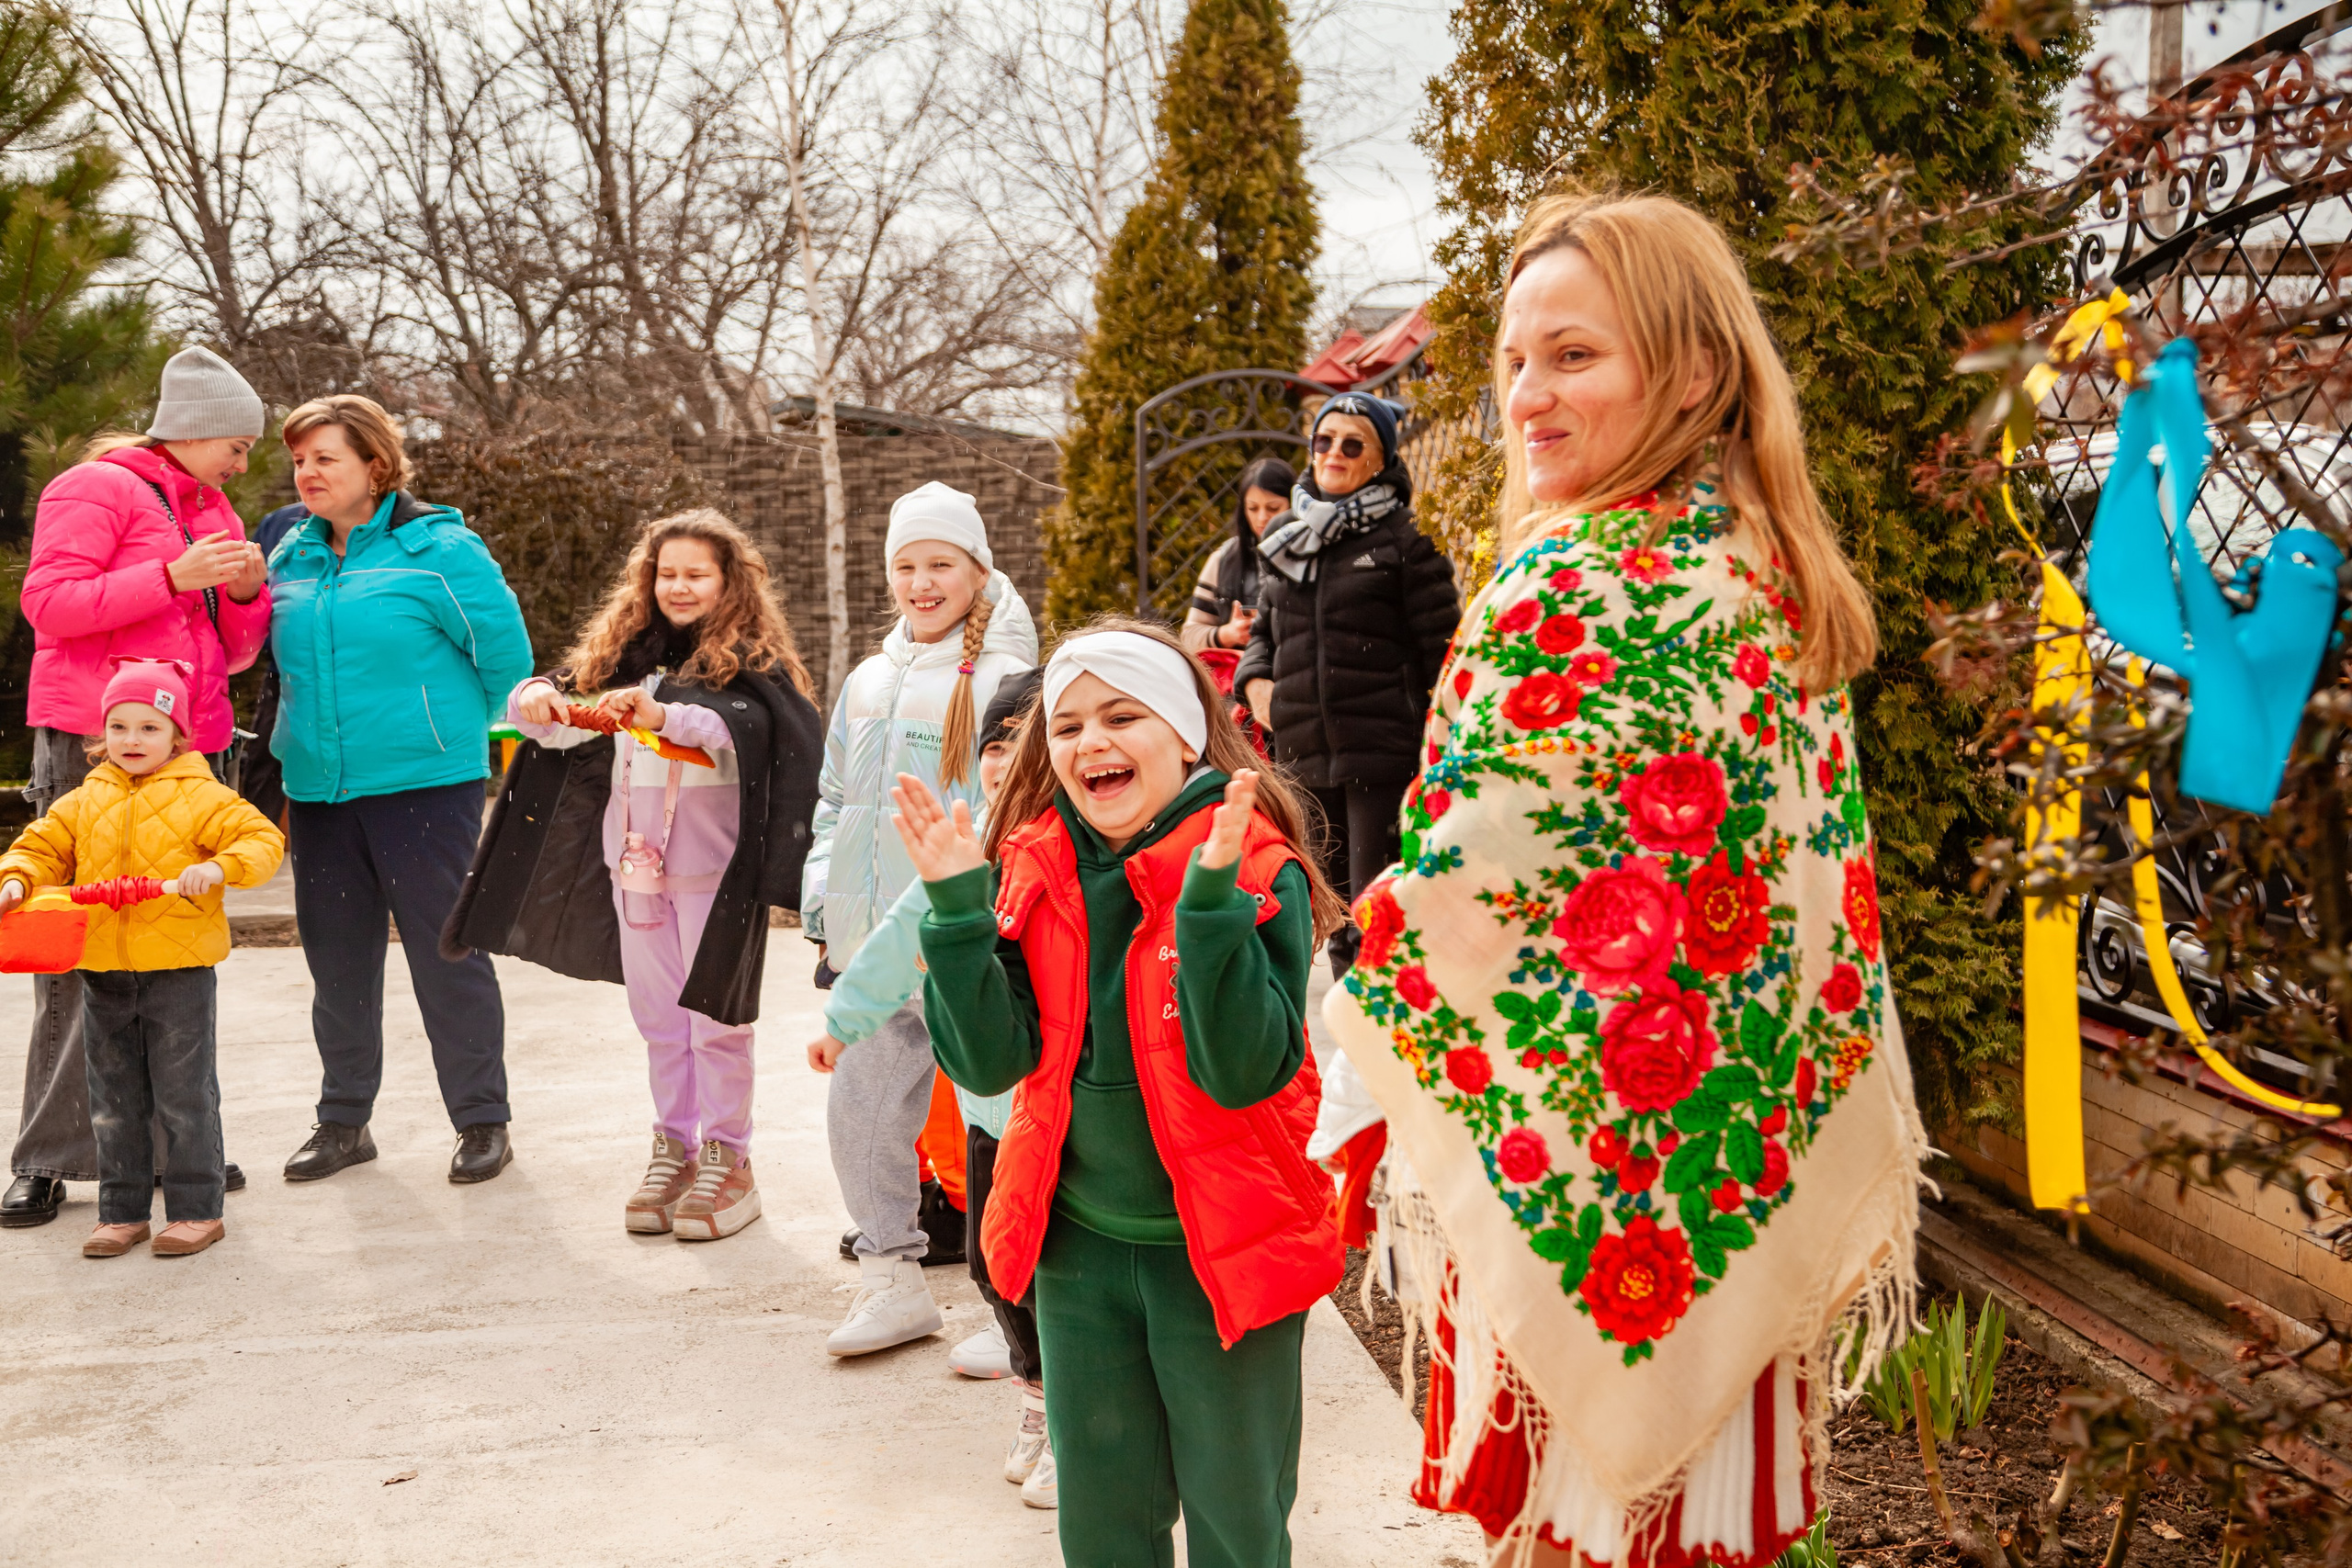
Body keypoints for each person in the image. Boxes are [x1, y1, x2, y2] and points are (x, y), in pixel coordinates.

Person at [1320, 191, 1923, 1567]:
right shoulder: (1765, 571)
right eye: (1514, 360)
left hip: (1579, 1197)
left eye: (1573, 355)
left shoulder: (1578, 583)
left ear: (1695, 371)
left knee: (1575, 1533)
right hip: (1728, 1192)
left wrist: (1360, 1009)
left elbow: (1467, 886)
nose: (1525, 394)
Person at [898, 622, 1348, 1567]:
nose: (1090, 741)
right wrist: (956, 914)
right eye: (1066, 726)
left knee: (1237, 1519)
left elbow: (1242, 1073)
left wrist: (1211, 912)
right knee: (1101, 1519)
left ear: (1184, 732)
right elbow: (988, 1063)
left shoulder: (1252, 866)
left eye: (1120, 716)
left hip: (1226, 1250)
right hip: (1079, 1251)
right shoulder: (1031, 860)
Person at [443, 510, 824, 1239]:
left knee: (715, 1022)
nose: (678, 586)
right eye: (666, 573)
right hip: (637, 872)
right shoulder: (623, 658)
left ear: (729, 582)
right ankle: (675, 1147)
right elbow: (553, 718)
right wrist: (534, 699)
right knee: (661, 1021)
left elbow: (741, 732)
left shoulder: (750, 666)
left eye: (696, 574)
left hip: (716, 878)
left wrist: (664, 715)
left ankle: (729, 1157)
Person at [3, 346, 271, 1230]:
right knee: (78, 938)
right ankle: (47, 1157)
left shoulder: (213, 509)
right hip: (98, 740)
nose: (242, 465)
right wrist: (167, 576)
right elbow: (48, 603)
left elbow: (233, 653)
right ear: (193, 431)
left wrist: (243, 596)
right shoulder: (95, 487)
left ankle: (172, 1152)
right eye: (236, 445)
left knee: (170, 943)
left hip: (190, 745)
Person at [265, 395, 534, 1186]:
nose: (307, 473)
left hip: (425, 787)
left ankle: (482, 1119)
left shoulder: (440, 549)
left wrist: (436, 732)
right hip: (318, 790)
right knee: (337, 962)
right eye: (299, 460)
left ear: (375, 465)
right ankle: (344, 1121)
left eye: (325, 458)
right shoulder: (289, 554)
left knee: (446, 954)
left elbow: (506, 664)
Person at [806, 665, 1057, 1507]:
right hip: (990, 1115)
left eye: (1024, 741)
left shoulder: (1075, 847)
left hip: (1058, 1115)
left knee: (1055, 1273)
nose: (1003, 759)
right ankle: (1037, 1391)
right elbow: (900, 932)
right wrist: (846, 1020)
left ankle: (1074, 1416)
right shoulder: (970, 841)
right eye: (993, 743)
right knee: (994, 1266)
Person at [803, 480, 1037, 1356]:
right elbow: (835, 799)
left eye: (941, 563)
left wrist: (977, 920)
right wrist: (824, 905)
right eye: (905, 566)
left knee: (994, 1125)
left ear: (978, 570)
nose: (921, 582)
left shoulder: (1008, 678)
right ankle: (891, 1280)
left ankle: (1017, 1308)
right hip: (872, 941)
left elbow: (1013, 812)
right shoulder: (867, 678)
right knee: (862, 1114)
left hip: (962, 943)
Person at [0, 660, 285, 1258]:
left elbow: (261, 840)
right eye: (119, 726)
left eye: (149, 727)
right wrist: (19, 877)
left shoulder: (203, 795)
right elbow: (40, 846)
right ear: (101, 733)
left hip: (178, 973)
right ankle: (122, 1213)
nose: (132, 739)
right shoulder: (84, 800)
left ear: (178, 735)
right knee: (113, 1100)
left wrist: (220, 867)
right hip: (104, 973)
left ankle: (196, 1209)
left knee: (184, 1096)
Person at [1235, 392, 1460, 976]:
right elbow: (1265, 630)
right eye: (1324, 440)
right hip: (1303, 754)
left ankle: (1393, 1023)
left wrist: (1444, 747)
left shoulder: (1408, 538)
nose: (1334, 452)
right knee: (1333, 917)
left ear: (1381, 460)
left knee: (1377, 916)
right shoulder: (1286, 535)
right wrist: (1254, 680)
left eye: (1353, 444)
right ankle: (1350, 1030)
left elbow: (1443, 652)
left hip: (1381, 756)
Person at [1179, 456, 1293, 655]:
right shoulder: (1223, 559)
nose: (1262, 517)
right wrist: (1228, 634)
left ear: (1294, 505)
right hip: (1238, 670)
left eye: (1273, 508)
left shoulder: (1315, 555)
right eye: (1252, 508)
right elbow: (1188, 637)